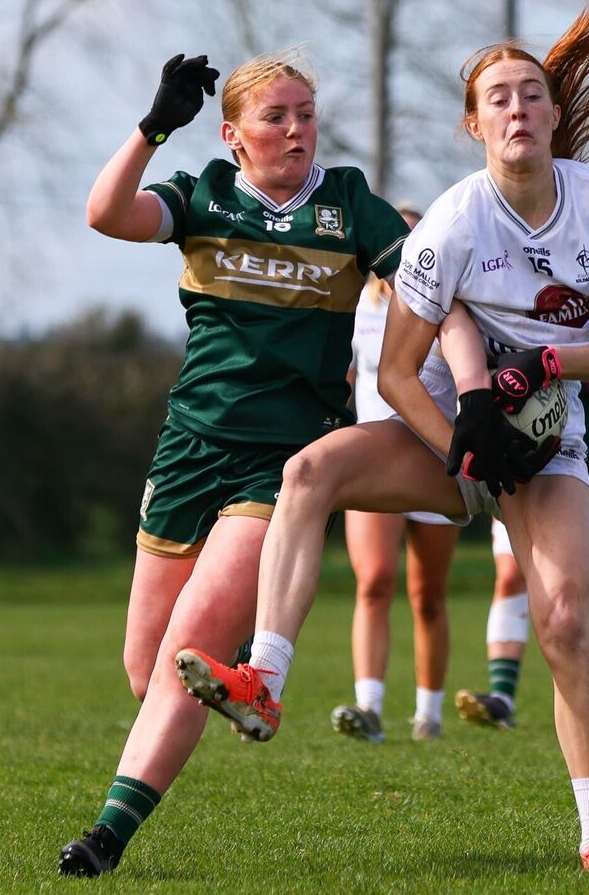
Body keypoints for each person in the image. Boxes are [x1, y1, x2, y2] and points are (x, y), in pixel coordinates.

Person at [178, 5, 589, 872]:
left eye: (531, 95)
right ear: (474, 125)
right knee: (309, 470)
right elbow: (397, 376)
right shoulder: (448, 224)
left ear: (550, 116)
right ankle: (265, 682)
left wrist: (539, 368)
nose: (517, 109)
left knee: (562, 625)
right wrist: (468, 444)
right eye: (498, 98)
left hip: (548, 451)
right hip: (445, 438)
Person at [57, 50, 412, 878]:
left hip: (283, 464)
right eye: (276, 117)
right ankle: (244, 650)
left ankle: (105, 840)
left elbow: (430, 282)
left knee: (185, 650)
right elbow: (106, 215)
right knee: (147, 669)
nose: (296, 130)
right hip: (188, 448)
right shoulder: (206, 191)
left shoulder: (350, 203)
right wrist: (153, 129)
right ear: (234, 134)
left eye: (306, 114)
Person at [457, 307, 589, 729]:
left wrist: (564, 376)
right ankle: (502, 697)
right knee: (510, 574)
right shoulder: (502, 288)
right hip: (521, 457)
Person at [331, 206, 462, 744]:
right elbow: (345, 372)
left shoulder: (445, 305)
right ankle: (370, 709)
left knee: (427, 593)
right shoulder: (358, 304)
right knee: (375, 581)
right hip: (374, 458)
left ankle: (427, 715)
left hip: (434, 457)